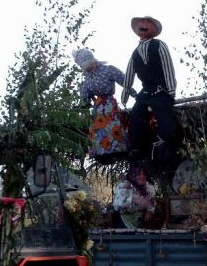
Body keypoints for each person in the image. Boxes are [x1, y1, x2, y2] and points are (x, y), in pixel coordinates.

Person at [121, 16, 177, 163]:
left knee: (166, 121)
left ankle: (165, 151)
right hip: (145, 92)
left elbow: (167, 66)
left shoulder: (160, 45)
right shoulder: (135, 52)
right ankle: (139, 150)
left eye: (148, 23)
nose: (144, 25)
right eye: (141, 23)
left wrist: (171, 90)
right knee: (135, 117)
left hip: (161, 90)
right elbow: (129, 71)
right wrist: (126, 90)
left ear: (153, 28)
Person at [73, 49, 132, 162]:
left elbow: (125, 82)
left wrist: (136, 95)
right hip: (98, 108)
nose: (89, 69)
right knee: (99, 129)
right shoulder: (86, 80)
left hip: (110, 104)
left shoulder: (108, 70)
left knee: (113, 126)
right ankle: (103, 154)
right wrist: (82, 108)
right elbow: (84, 100)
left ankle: (119, 150)